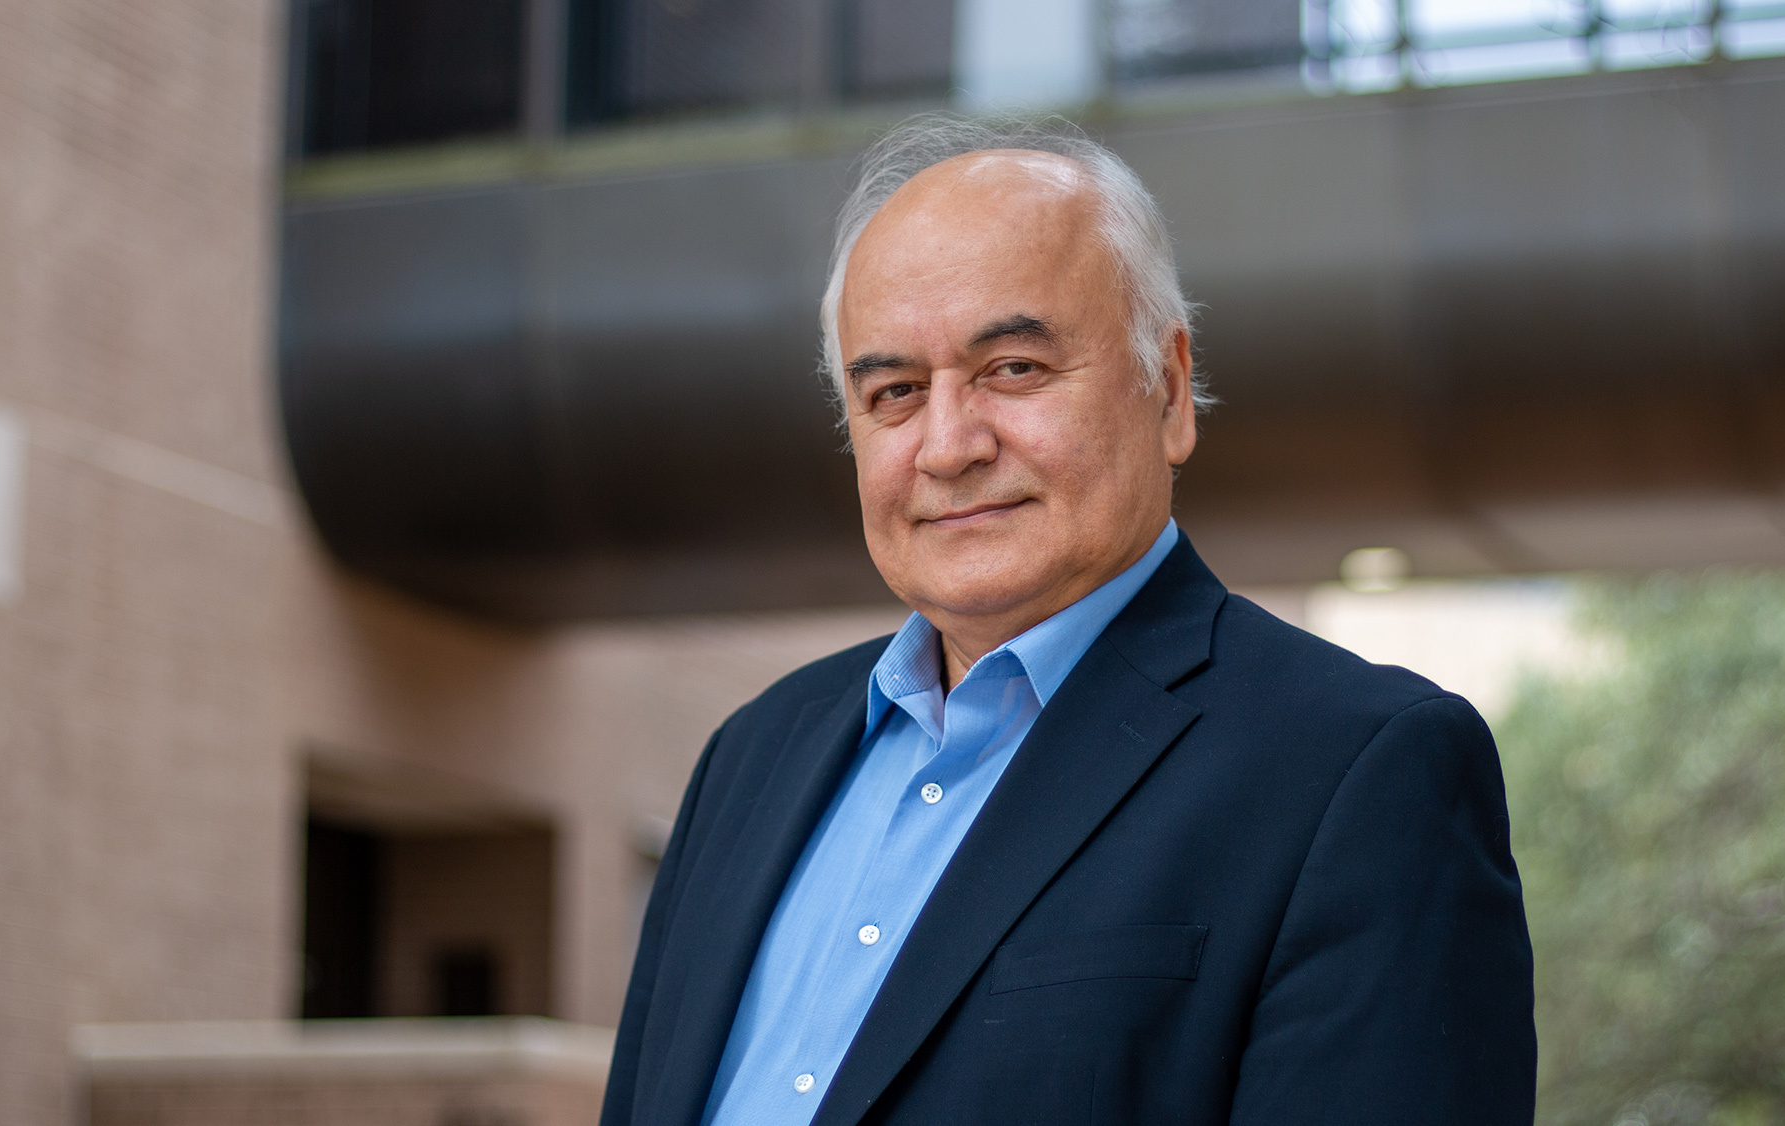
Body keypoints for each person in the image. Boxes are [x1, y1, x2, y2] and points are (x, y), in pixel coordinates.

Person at [598, 115, 1534, 1126]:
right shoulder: (751, 755)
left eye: (1013, 370)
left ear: (1167, 391)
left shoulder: (1359, 772)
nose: (947, 445)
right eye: (894, 392)